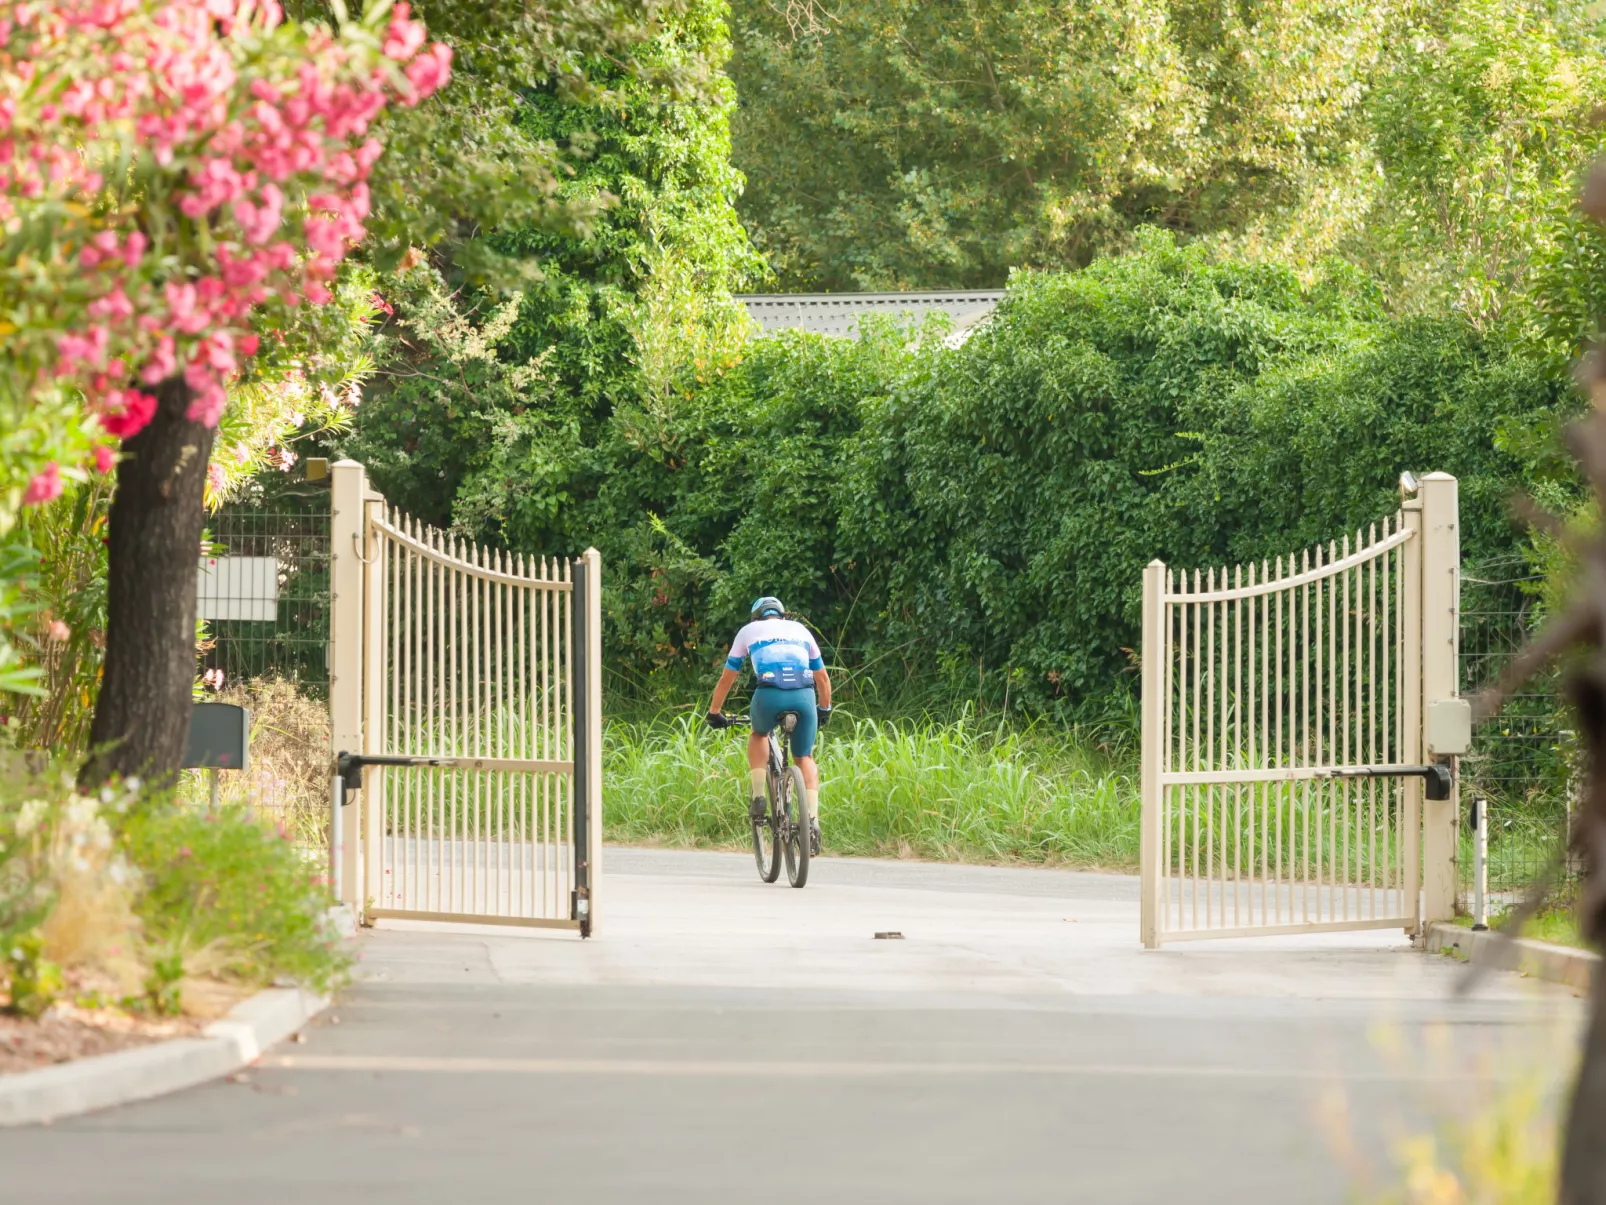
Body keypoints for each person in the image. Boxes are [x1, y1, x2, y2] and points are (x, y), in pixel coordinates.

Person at [706, 596, 832, 854]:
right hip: (804, 697)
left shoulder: (748, 631)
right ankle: (812, 822)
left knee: (759, 734)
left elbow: (727, 678)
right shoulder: (801, 630)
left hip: (769, 695)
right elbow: (822, 678)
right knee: (804, 756)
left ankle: (759, 796)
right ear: (781, 615)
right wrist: (824, 710)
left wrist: (714, 712)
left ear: (757, 617)